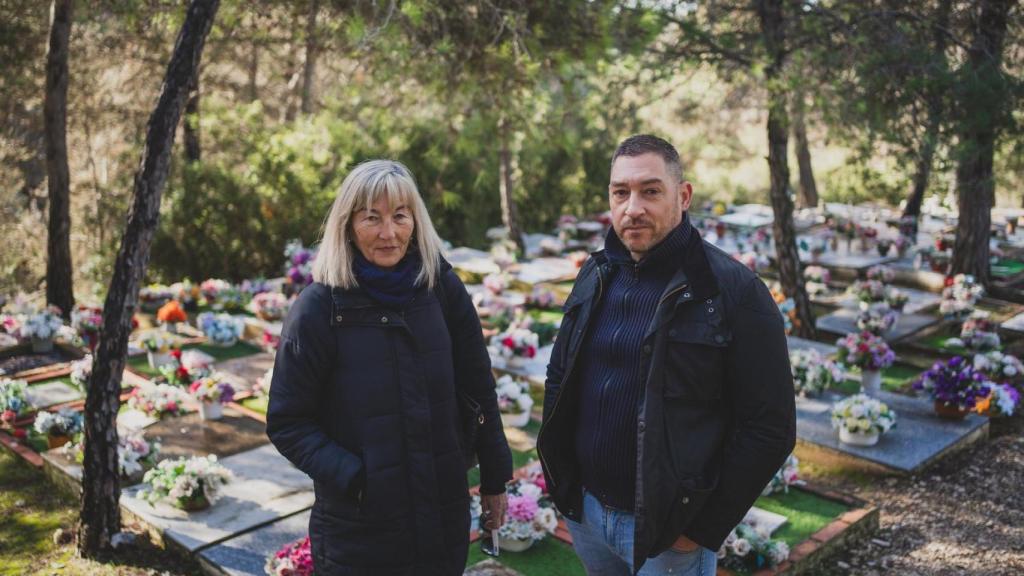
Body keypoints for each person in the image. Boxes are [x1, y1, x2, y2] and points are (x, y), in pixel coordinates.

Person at [537, 134, 796, 575]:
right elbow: (561, 376)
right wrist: (562, 482)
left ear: (684, 195)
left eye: (650, 191)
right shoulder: (596, 274)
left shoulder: (733, 292)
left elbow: (770, 428)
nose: (633, 207)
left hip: (669, 537)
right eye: (621, 192)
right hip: (586, 515)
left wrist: (698, 530)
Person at [267, 159, 513, 575]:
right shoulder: (319, 308)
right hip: (361, 528)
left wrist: (494, 478)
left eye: (401, 216)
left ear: (416, 221)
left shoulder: (441, 289)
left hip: (441, 511)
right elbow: (288, 422)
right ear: (347, 225)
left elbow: (477, 387)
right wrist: (358, 479)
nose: (389, 233)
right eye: (372, 218)